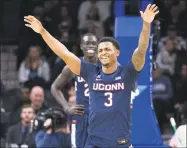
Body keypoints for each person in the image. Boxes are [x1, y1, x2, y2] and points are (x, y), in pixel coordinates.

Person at [24, 4, 159, 147]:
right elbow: (63, 52)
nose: (103, 52)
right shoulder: (90, 72)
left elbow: (142, 49)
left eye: (107, 49)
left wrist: (146, 24)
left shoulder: (127, 72)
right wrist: (43, 31)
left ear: (117, 52)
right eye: (100, 50)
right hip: (94, 142)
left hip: (121, 142)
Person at [51, 33, 98, 148]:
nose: (91, 46)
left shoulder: (108, 65)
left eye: (93, 43)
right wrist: (66, 106)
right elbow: (55, 87)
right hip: (82, 116)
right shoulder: (74, 65)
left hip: (101, 116)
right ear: (82, 46)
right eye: (87, 43)